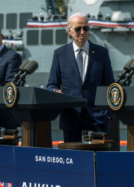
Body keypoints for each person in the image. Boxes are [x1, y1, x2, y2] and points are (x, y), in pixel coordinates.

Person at [46, 13, 115, 142]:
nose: (82, 32)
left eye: (86, 28)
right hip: (71, 118)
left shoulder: (102, 53)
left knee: (97, 161)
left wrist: (108, 115)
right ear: (69, 31)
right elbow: (51, 85)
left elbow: (110, 86)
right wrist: (55, 92)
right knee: (74, 161)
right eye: (78, 29)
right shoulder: (59, 54)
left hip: (97, 119)